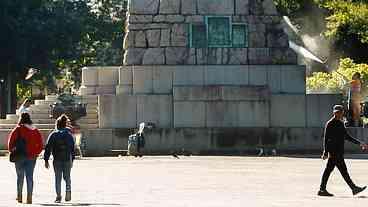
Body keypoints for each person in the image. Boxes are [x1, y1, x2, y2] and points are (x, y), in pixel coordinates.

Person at [318, 105, 367, 196]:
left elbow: (347, 137)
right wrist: (325, 152)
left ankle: (322, 189)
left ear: (342, 113)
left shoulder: (341, 123)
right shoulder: (330, 123)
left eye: (339, 112)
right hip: (334, 153)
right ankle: (353, 188)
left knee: (328, 170)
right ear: (334, 113)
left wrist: (360, 143)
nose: (338, 114)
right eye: (336, 112)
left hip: (339, 152)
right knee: (343, 171)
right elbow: (326, 138)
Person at [7, 113, 43, 204]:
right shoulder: (35, 130)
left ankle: (19, 196)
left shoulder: (18, 129)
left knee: (20, 177)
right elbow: (41, 144)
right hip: (32, 157)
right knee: (29, 177)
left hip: (19, 156)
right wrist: (36, 153)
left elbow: (10, 143)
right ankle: (29, 197)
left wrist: (12, 150)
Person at [44, 114, 75, 203]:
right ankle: (68, 190)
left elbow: (48, 147)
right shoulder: (69, 135)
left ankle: (58, 196)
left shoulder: (53, 134)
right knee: (67, 177)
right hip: (67, 158)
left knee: (58, 178)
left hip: (57, 159)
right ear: (65, 124)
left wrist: (46, 160)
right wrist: (72, 159)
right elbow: (72, 148)